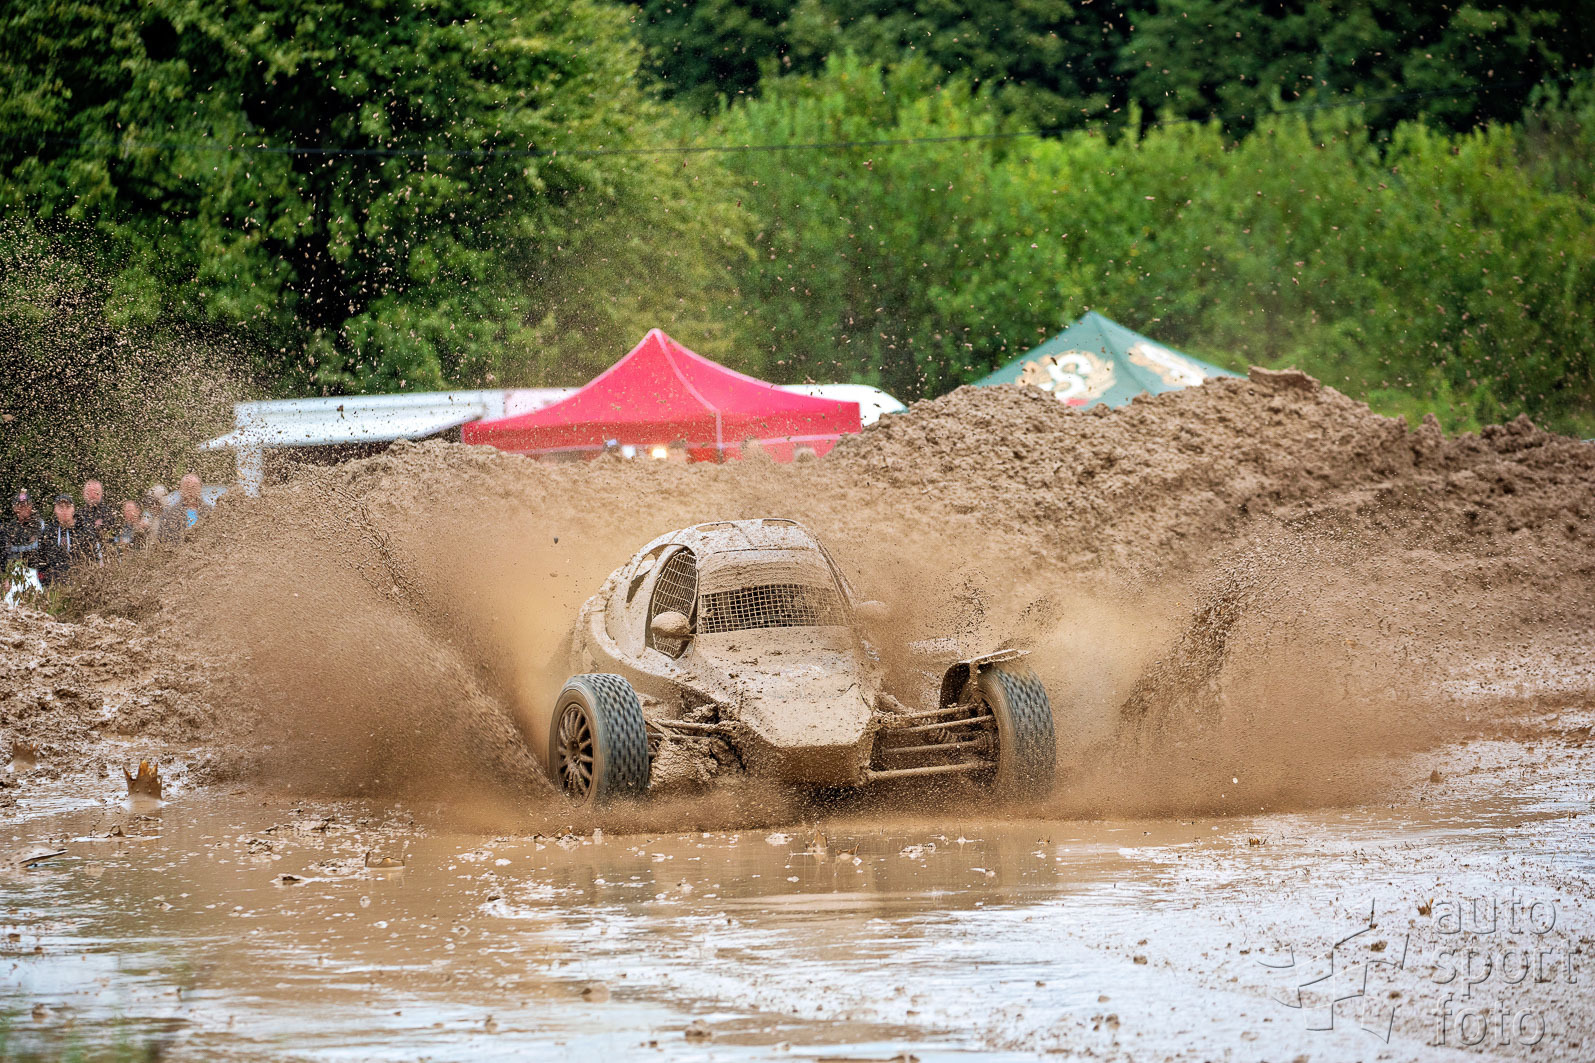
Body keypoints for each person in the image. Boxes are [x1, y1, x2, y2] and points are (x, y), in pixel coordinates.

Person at [38, 494, 101, 585]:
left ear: (73, 509)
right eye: (60, 507)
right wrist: (46, 582)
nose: (64, 511)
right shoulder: (48, 532)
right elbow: (41, 560)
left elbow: (94, 559)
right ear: (55, 510)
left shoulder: (85, 531)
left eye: (68, 507)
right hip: (54, 585)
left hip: (81, 584)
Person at [158, 473, 212, 544]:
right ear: (180, 489)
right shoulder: (170, 514)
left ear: (200, 488)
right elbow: (163, 539)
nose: (190, 491)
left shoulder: (209, 511)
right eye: (187, 487)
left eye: (193, 487)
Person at [2, 489, 45, 570]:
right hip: (13, 571)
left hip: (36, 571)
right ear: (14, 508)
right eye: (20, 505)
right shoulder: (8, 529)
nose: (23, 508)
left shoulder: (41, 525)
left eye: (26, 504)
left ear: (31, 506)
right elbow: (3, 556)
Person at [80, 479, 115, 544]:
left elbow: (112, 538)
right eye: (89, 492)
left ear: (101, 494)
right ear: (83, 494)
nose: (92, 495)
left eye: (96, 492)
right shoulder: (78, 515)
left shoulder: (109, 514)